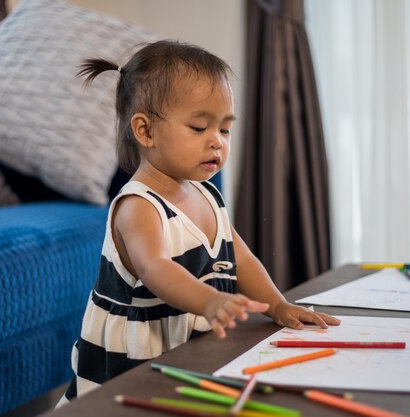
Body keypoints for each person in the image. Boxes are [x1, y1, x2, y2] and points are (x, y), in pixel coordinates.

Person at [58, 39, 340, 405]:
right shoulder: (139, 205)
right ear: (145, 132)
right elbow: (156, 267)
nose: (217, 143)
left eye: (224, 129)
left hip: (179, 349)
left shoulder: (207, 195)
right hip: (130, 361)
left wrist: (278, 305)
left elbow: (242, 258)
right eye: (199, 127)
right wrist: (209, 300)